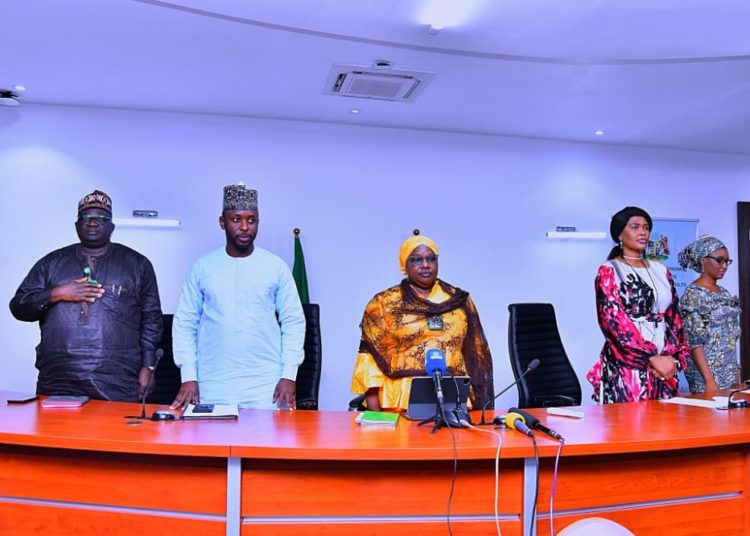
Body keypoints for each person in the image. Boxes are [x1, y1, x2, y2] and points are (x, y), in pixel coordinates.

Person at [9, 190, 163, 401]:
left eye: (100, 218)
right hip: (58, 377)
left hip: (117, 378)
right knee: (55, 433)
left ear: (111, 226)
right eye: (86, 218)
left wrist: (148, 365)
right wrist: (56, 293)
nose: (92, 223)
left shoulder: (137, 264)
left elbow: (151, 318)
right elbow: (19, 306)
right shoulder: (51, 262)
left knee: (112, 434)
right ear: (76, 225)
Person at [171, 183, 305, 410]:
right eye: (236, 220)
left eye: (251, 220)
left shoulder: (275, 267)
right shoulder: (203, 267)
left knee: (266, 444)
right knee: (213, 443)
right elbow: (185, 322)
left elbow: (294, 322)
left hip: (267, 384)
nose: (245, 227)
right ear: (222, 222)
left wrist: (289, 375)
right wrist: (188, 376)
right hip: (212, 382)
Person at [351, 234, 494, 411]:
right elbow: (370, 360)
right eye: (417, 260)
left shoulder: (459, 301)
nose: (425, 265)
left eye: (431, 259)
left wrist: (477, 403)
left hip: (453, 397)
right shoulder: (384, 303)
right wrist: (377, 416)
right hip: (400, 402)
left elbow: (476, 355)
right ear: (404, 265)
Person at [587, 206, 689, 403]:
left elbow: (674, 317)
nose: (643, 232)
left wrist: (673, 359)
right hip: (629, 364)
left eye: (646, 227)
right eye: (635, 227)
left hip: (665, 365)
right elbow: (613, 321)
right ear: (620, 234)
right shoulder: (610, 270)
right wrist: (651, 357)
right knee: (634, 427)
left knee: (667, 427)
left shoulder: (661, 270)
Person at [678, 236, 741, 394]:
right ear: (703, 260)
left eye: (727, 261)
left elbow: (730, 337)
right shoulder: (693, 295)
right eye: (719, 260)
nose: (724, 266)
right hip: (706, 376)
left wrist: (737, 372)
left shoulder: (725, 293)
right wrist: (709, 380)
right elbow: (694, 342)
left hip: (730, 373)